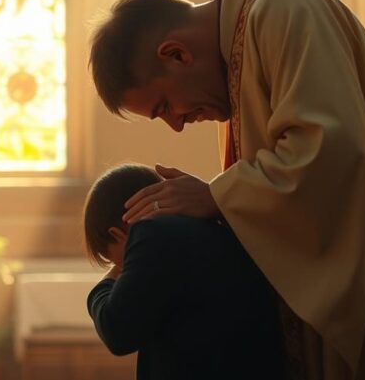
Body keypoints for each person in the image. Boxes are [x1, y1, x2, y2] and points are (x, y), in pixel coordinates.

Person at [88, 0, 365, 379]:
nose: (177, 125)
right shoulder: (238, 63)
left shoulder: (285, 9)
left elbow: (334, 152)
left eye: (164, 106)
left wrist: (215, 196)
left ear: (177, 54)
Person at [83, 163, 285, 380]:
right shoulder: (217, 228)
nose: (123, 270)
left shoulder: (152, 235)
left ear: (117, 234)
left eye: (116, 261)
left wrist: (103, 287)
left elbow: (117, 330)